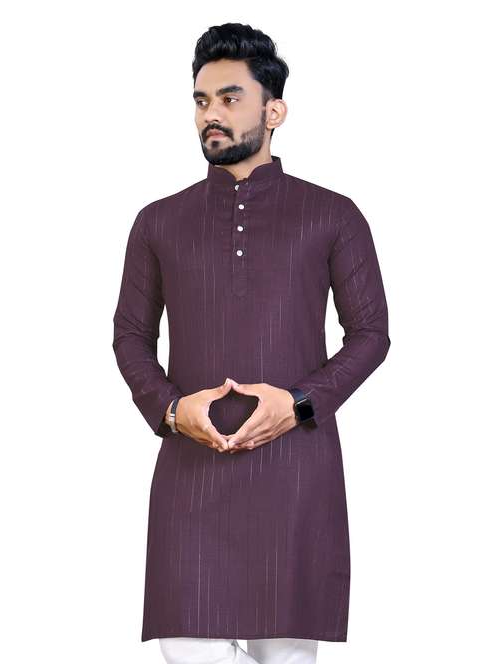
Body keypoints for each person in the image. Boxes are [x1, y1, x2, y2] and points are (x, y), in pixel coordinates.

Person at [112, 22, 390, 664]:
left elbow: (371, 334)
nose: (211, 114)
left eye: (230, 98)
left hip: (294, 473)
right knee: (185, 644)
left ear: (274, 111)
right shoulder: (159, 221)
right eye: (201, 100)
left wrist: (298, 403)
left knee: (286, 656)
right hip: (192, 471)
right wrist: (171, 409)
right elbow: (130, 335)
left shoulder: (331, 214)